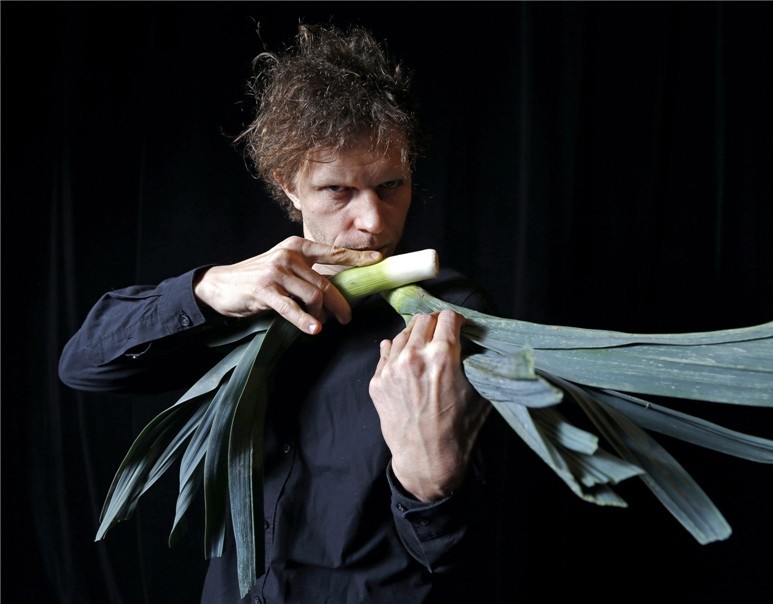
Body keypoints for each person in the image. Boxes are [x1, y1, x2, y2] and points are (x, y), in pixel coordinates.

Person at [58, 22, 504, 604]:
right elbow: (83, 365)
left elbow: (463, 559)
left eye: (392, 184)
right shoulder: (241, 301)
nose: (372, 221)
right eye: (338, 191)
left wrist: (432, 481)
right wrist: (205, 291)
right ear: (287, 187)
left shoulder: (450, 318)